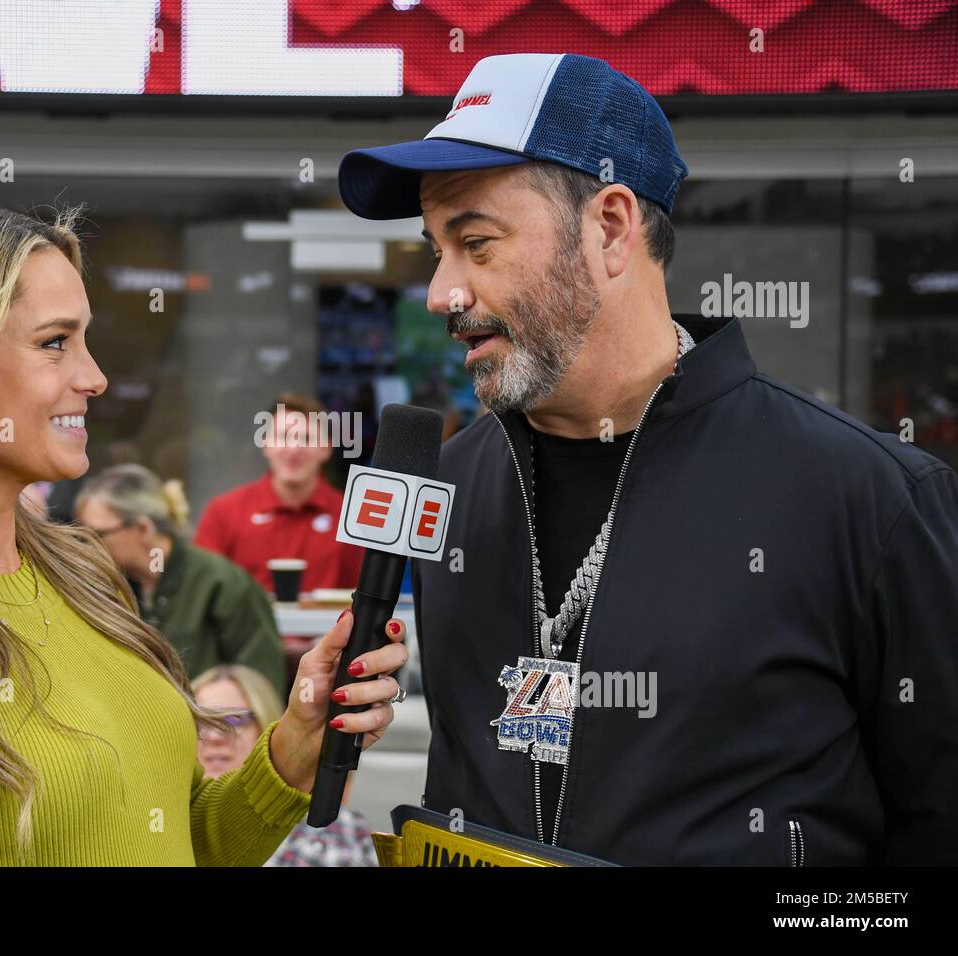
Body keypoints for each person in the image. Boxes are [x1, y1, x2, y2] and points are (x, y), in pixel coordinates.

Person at [337, 53, 958, 865]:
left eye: (476, 244)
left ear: (613, 227)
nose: (440, 292)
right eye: (436, 251)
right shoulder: (449, 484)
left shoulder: (871, 498)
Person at [0, 194, 409, 866]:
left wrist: (292, 749)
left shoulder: (84, 577)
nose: (95, 377)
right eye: (55, 342)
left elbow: (179, 846)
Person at [75, 464, 286, 696]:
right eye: (84, 536)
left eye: (98, 535)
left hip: (213, 729)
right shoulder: (107, 587)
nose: (89, 547)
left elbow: (263, 685)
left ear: (144, 528)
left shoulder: (221, 583)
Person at [193, 665, 378, 868]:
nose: (214, 736)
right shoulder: (164, 822)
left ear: (268, 726)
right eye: (201, 722)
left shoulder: (332, 828)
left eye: (234, 720)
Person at [193, 394, 364, 595]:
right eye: (283, 437)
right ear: (266, 444)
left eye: (307, 438)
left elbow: (366, 599)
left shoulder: (353, 518)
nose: (294, 449)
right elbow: (200, 592)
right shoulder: (223, 513)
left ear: (326, 448)